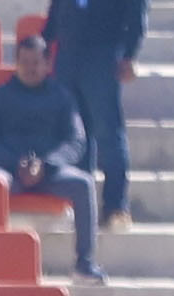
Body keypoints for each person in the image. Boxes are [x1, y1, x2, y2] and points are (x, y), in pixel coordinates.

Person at [0, 30, 100, 277]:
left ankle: (84, 262)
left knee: (83, 183)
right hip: (9, 170)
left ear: (47, 64)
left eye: (36, 63)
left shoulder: (63, 98)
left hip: (51, 173)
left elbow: (76, 140)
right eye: (25, 62)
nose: (30, 68)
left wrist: (47, 165)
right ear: (16, 63)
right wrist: (13, 162)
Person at [44, 0, 140, 226]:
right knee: (74, 132)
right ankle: (81, 205)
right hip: (67, 54)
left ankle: (116, 206)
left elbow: (136, 10)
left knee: (107, 130)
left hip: (103, 55)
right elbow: (58, 7)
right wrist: (47, 39)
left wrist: (130, 54)